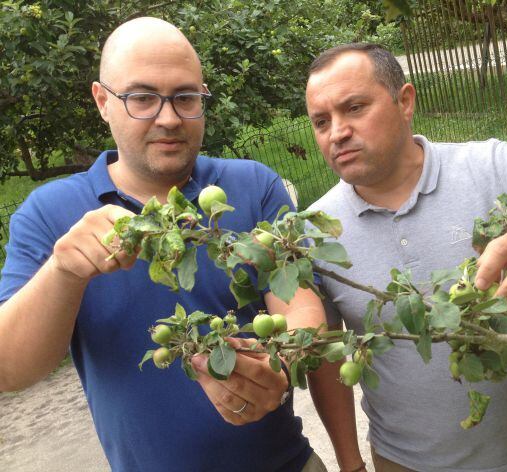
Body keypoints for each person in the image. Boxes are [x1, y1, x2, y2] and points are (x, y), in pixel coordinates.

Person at [0, 18, 367, 472]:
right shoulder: (50, 213)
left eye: (185, 97)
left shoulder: (252, 185)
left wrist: (281, 361)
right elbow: (11, 370)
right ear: (102, 101)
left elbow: (300, 310)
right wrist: (63, 273)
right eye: (142, 98)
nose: (169, 117)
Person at [305, 43, 507, 472]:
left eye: (355, 108)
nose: (337, 132)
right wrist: (350, 463)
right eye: (321, 121)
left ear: (405, 101)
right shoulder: (314, 232)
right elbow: (326, 359)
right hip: (403, 463)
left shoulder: (496, 167)